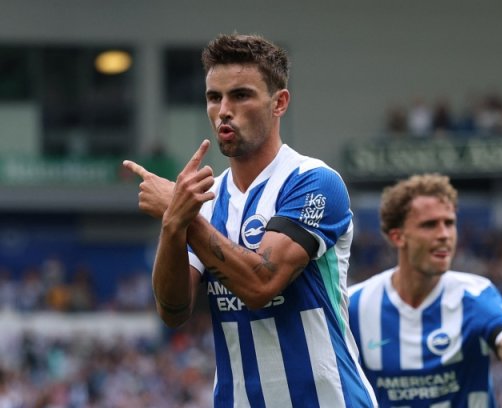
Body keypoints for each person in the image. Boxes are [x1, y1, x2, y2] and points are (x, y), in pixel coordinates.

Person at [123, 33, 377, 407]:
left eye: (241, 95)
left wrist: (182, 214)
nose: (224, 110)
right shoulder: (204, 200)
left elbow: (261, 285)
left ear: (279, 103)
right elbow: (173, 311)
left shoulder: (314, 182)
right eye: (214, 97)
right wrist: (172, 224)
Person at [348, 173, 502, 408]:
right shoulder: (355, 305)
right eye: (429, 225)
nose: (444, 235)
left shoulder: (476, 297)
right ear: (398, 237)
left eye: (449, 223)